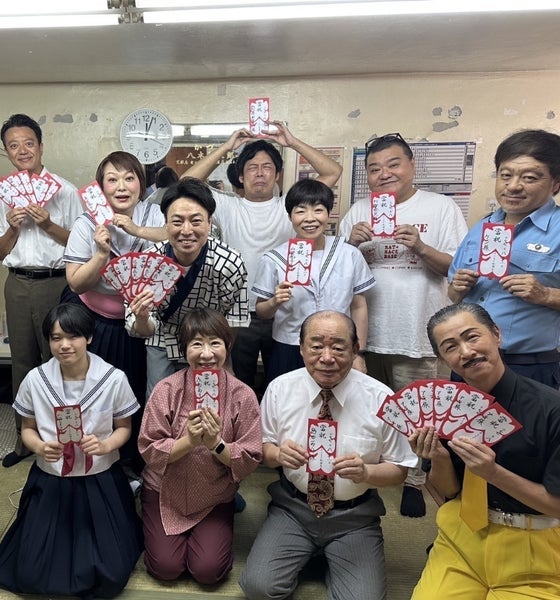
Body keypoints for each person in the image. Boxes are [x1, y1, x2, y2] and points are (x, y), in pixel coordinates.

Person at [240, 310, 418, 600]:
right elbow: (262, 450)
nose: (326, 357)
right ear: (301, 348)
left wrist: (367, 472)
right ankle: (313, 553)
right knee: (258, 587)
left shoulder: (382, 399)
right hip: (293, 509)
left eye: (338, 347)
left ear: (355, 349)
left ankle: (327, 557)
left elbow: (400, 469)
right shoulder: (280, 389)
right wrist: (278, 455)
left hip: (354, 517)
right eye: (316, 346)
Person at [339, 132, 468, 517]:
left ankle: (415, 479)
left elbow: (459, 269)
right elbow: (335, 271)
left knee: (419, 415)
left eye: (393, 164)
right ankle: (373, 473)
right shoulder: (358, 210)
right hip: (366, 335)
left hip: (417, 334)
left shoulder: (441, 208)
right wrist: (350, 244)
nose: (384, 174)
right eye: (374, 168)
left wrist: (421, 246)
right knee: (368, 411)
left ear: (412, 166)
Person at [0, 303, 142, 598]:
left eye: (73, 336)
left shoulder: (113, 378)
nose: (64, 345)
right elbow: (27, 429)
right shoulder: (36, 379)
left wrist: (105, 445)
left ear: (89, 337)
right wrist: (39, 446)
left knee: (109, 575)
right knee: (30, 574)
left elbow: (124, 428)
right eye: (56, 338)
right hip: (51, 479)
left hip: (99, 479)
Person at [409, 303, 560, 599]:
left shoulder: (551, 409)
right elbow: (449, 491)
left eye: (472, 337)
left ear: (497, 335)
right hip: (461, 538)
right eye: (451, 347)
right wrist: (439, 458)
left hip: (537, 545)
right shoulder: (442, 407)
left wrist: (493, 473)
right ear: (442, 358)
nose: (466, 352)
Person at [183, 124, 343, 393]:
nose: (260, 173)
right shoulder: (227, 205)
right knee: (237, 383)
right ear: (241, 176)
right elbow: (187, 182)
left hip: (284, 312)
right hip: (237, 313)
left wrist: (292, 142)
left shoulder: (291, 207)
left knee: (284, 384)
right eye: (252, 167)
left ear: (278, 174)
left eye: (267, 167)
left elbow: (333, 172)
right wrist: (227, 147)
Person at [0, 113, 82, 467]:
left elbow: (81, 244)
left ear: (41, 146)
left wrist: (48, 224)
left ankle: (66, 439)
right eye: (14, 145)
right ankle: (24, 438)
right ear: (7, 152)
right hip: (17, 284)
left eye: (28, 143)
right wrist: (13, 228)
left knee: (61, 360)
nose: (22, 150)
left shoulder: (66, 190)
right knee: (22, 363)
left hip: (57, 282)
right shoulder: (3, 195)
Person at [138, 308, 262, 584]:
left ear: (227, 347)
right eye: (197, 344)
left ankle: (215, 528)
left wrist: (216, 444)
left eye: (215, 343)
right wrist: (190, 441)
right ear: (184, 350)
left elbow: (250, 455)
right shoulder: (166, 389)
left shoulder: (242, 394)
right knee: (166, 568)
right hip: (164, 490)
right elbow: (149, 447)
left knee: (208, 571)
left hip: (214, 494)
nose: (206, 354)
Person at [64, 150, 166, 468]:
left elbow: (177, 237)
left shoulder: (154, 215)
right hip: (93, 319)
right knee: (93, 389)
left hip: (140, 319)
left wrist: (137, 230)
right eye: (112, 179)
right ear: (101, 187)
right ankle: (90, 454)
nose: (121, 186)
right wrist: (99, 254)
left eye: (129, 178)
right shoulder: (86, 223)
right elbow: (76, 283)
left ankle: (131, 461)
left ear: (141, 184)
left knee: (133, 389)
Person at [449, 129, 560, 388]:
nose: (513, 186)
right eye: (505, 175)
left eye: (529, 177)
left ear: (555, 183)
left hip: (528, 368)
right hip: (469, 364)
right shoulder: (481, 227)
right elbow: (452, 295)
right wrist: (458, 288)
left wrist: (545, 295)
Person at [126, 177, 250, 396]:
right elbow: (141, 328)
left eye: (196, 221)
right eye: (177, 222)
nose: (186, 230)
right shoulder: (147, 263)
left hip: (209, 340)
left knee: (213, 400)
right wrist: (142, 318)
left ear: (209, 223)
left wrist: (222, 356)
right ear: (166, 224)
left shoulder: (229, 263)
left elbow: (234, 319)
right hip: (163, 337)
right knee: (160, 399)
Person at [253, 178, 375, 381]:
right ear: (290, 216)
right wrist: (275, 301)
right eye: (300, 211)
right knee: (288, 399)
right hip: (289, 345)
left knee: (336, 400)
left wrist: (359, 353)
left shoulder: (348, 254)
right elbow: (261, 311)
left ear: (328, 213)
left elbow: (358, 306)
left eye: (318, 210)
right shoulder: (274, 258)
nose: (310, 219)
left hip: (338, 347)